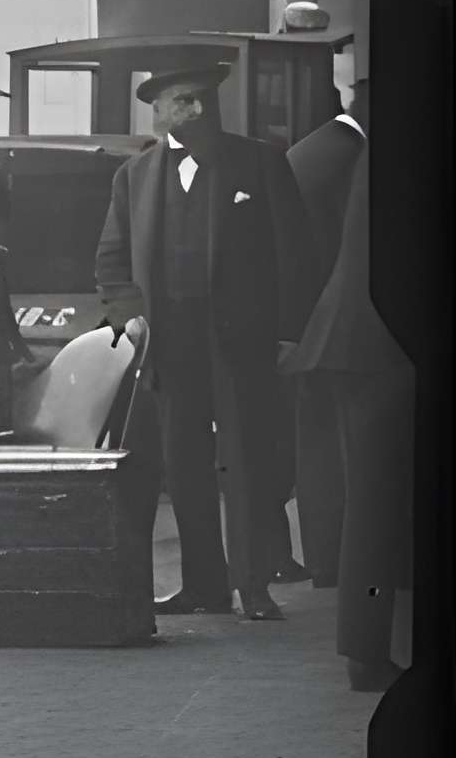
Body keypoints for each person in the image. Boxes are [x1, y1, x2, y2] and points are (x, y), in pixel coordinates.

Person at [93, 62, 321, 621]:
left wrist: (290, 333)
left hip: (241, 345)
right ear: (160, 109)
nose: (199, 111)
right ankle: (203, 587)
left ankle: (255, 585)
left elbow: (296, 256)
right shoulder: (136, 176)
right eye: (185, 101)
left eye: (205, 101)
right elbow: (113, 258)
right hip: (170, 348)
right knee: (184, 466)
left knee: (247, 464)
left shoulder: (260, 162)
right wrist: (129, 319)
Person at [285, 131, 408, 692]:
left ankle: (369, 647)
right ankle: (365, 651)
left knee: (371, 498)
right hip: (379, 342)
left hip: (355, 337)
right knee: (376, 502)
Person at [281, 68, 367, 590]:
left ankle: (325, 560)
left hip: (311, 325)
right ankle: (338, 559)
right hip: (337, 322)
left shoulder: (313, 149)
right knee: (345, 454)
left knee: (316, 451)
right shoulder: (348, 158)